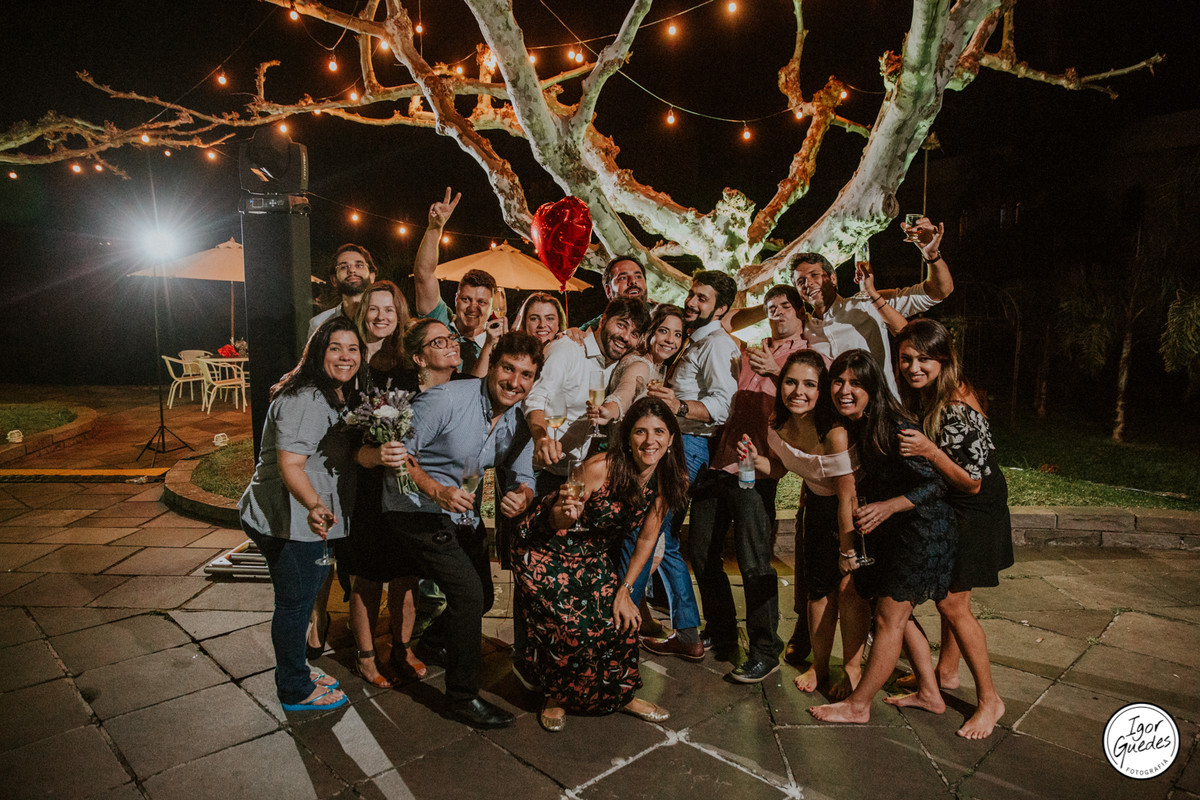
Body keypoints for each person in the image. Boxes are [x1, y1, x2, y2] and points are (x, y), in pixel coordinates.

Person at [376, 331, 541, 729]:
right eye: (508, 369)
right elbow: (399, 457)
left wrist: (522, 496)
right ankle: (462, 698)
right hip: (413, 507)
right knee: (467, 594)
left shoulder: (518, 419)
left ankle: (434, 644)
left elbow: (525, 476)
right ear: (492, 366)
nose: (515, 382)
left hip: (461, 512)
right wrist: (437, 491)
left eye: (526, 375)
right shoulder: (445, 399)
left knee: (482, 594)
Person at [511, 397, 688, 731]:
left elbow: (646, 540)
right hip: (545, 547)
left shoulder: (668, 479)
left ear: (671, 438)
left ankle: (623, 695)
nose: (649, 440)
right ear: (628, 438)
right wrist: (567, 514)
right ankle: (556, 696)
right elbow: (559, 514)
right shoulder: (599, 467)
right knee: (570, 626)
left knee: (620, 619)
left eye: (658, 432)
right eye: (640, 432)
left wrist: (625, 590)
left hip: (592, 552)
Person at [809, 349, 956, 725]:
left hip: (923, 532)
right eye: (838, 381)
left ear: (873, 388)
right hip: (895, 532)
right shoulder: (856, 423)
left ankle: (858, 706)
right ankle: (929, 693)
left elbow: (938, 483)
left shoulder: (895, 428)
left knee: (890, 617)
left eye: (856, 383)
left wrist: (889, 506)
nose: (844, 390)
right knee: (896, 615)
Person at [684, 285, 813, 682]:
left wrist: (777, 371)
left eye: (786, 307)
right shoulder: (750, 349)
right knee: (702, 552)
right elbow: (723, 320)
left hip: (758, 471)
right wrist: (763, 308)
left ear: (802, 312)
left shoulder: (806, 356)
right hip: (721, 462)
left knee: (754, 561)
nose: (777, 313)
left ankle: (765, 649)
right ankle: (722, 630)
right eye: (772, 307)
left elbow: (809, 404)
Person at [890, 318, 1011, 739]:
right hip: (959, 502)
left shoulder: (955, 407)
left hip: (976, 506)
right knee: (952, 593)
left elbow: (971, 481)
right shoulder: (932, 392)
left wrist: (929, 450)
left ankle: (990, 701)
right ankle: (946, 671)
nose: (913, 367)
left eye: (924, 359)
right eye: (906, 358)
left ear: (943, 359)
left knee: (952, 604)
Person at [238, 316, 366, 712]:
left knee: (302, 598)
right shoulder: (305, 399)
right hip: (290, 521)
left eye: (353, 349)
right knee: (294, 605)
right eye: (335, 348)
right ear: (317, 352)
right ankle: (294, 688)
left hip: (304, 519)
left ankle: (297, 671)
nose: (345, 357)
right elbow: (291, 465)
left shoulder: (333, 393)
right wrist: (314, 505)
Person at [738, 350, 868, 695]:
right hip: (818, 506)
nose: (798, 391)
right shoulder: (776, 423)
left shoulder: (834, 432)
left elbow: (847, 496)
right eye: (791, 382)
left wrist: (847, 549)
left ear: (822, 390)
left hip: (856, 511)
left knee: (850, 590)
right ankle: (819, 665)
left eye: (810, 384)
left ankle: (852, 668)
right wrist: (757, 460)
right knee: (818, 589)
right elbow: (781, 469)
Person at [639, 270, 740, 661]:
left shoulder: (716, 344)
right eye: (692, 294)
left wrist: (678, 405)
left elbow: (723, 405)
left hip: (689, 447)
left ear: (722, 308)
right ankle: (681, 628)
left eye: (702, 298)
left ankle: (684, 631)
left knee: (655, 532)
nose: (692, 302)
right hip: (673, 445)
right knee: (660, 533)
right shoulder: (693, 340)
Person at [337, 297, 438, 690]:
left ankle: (401, 647)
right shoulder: (352, 363)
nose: (381, 316)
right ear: (363, 313)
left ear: (400, 316)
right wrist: (373, 455)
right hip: (364, 485)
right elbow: (345, 440)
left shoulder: (412, 365)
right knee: (366, 574)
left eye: (389, 309)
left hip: (404, 485)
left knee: (405, 573)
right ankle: (365, 655)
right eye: (374, 309)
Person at [524, 297, 650, 496]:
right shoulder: (568, 349)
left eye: (634, 333)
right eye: (621, 325)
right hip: (535, 468)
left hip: (570, 470)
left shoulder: (616, 363)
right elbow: (535, 398)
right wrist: (542, 438)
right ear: (603, 320)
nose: (626, 337)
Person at [412, 187, 506, 376]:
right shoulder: (440, 320)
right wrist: (434, 229)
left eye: (481, 302)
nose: (473, 307)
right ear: (456, 298)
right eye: (466, 299)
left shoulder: (498, 344)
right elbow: (423, 274)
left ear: (492, 307)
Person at [308, 244, 379, 340]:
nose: (352, 270)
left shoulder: (385, 320)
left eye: (359, 265)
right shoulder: (319, 324)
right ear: (334, 280)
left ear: (372, 276)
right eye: (343, 267)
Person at [578, 256, 650, 331]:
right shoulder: (596, 328)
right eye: (623, 278)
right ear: (608, 290)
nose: (633, 281)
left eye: (638, 277)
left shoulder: (657, 314)